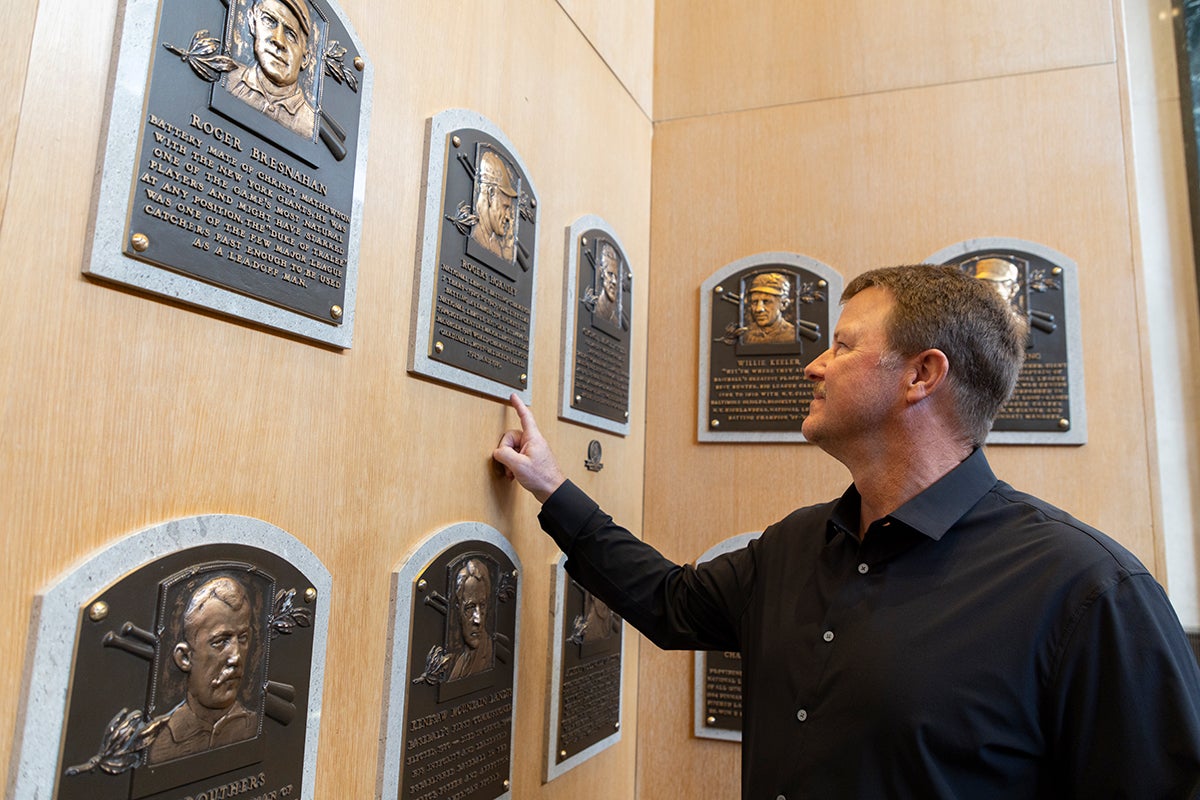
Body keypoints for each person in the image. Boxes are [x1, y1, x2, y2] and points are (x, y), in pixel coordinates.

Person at [493, 264, 1200, 798]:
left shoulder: (1089, 592)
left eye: (842, 344)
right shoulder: (797, 545)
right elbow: (672, 603)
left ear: (921, 375)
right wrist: (553, 491)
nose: (813, 363)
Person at [147, 576, 259, 764]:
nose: (236, 657)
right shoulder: (158, 743)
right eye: (220, 642)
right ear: (185, 657)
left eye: (243, 639)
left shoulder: (257, 726)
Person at [227, 0, 318, 139]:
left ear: (305, 59)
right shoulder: (227, 79)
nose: (279, 40)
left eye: (290, 35)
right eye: (269, 21)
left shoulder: (309, 126)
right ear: (252, 23)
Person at [447, 558, 495, 680]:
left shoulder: (493, 651)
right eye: (470, 607)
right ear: (457, 609)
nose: (478, 620)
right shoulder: (456, 662)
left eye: (482, 606)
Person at [470, 149, 518, 262]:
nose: (507, 217)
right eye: (505, 206)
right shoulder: (476, 237)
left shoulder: (497, 249)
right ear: (491, 194)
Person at [742, 272, 796, 344]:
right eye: (755, 302)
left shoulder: (794, 335)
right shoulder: (744, 335)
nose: (758, 309)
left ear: (783, 304)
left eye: (766, 302)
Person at [594, 243, 622, 327]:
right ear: (602, 273)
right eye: (610, 274)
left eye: (616, 277)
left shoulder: (616, 322)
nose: (614, 281)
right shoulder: (594, 309)